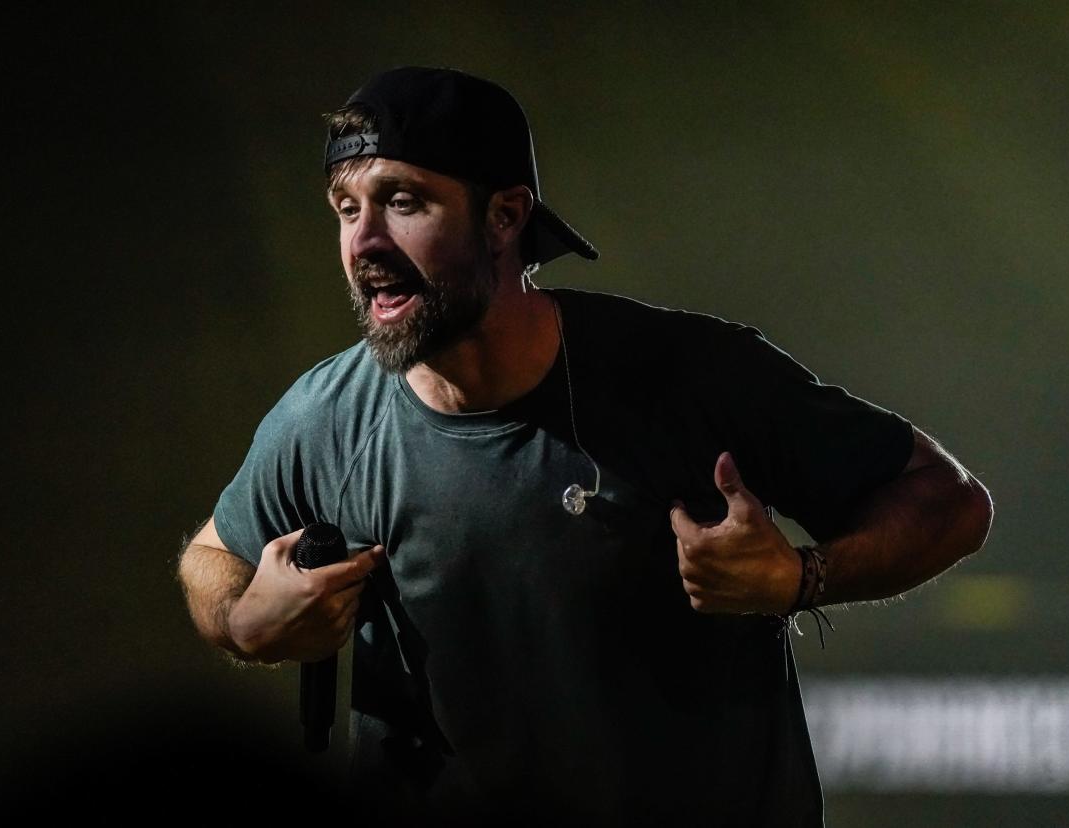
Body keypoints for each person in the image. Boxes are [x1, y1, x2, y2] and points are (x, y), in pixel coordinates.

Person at [177, 66, 993, 826]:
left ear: (505, 215)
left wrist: (799, 577)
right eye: (346, 209)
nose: (364, 244)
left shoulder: (688, 374)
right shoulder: (329, 417)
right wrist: (247, 621)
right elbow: (210, 556)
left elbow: (948, 501)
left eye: (403, 202)